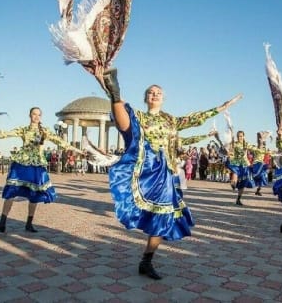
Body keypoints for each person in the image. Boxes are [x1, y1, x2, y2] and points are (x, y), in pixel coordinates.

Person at [102, 68, 241, 279]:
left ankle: (146, 260)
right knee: (149, 211)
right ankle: (115, 90)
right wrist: (113, 93)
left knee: (165, 214)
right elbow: (123, 123)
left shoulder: (171, 120)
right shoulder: (138, 116)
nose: (155, 94)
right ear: (146, 98)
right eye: (151, 92)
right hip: (145, 169)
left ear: (164, 98)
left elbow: (196, 118)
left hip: (165, 172)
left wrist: (222, 108)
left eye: (158, 92)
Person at [0, 107, 83, 233]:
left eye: (39, 115)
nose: (36, 117)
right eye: (34, 114)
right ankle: (2, 222)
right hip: (22, 162)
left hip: (36, 165)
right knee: (11, 191)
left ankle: (29, 223)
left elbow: (61, 142)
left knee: (34, 194)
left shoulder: (45, 131)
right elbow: (4, 134)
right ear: (30, 115)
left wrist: (79, 151)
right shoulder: (24, 129)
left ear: (41, 117)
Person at [226, 131, 255, 206]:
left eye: (241, 136)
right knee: (235, 174)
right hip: (236, 163)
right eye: (238, 136)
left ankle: (238, 199)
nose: (240, 137)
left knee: (242, 184)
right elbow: (229, 150)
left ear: (244, 136)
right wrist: (229, 153)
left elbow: (253, 148)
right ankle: (233, 183)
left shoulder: (246, 144)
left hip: (244, 164)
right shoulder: (234, 144)